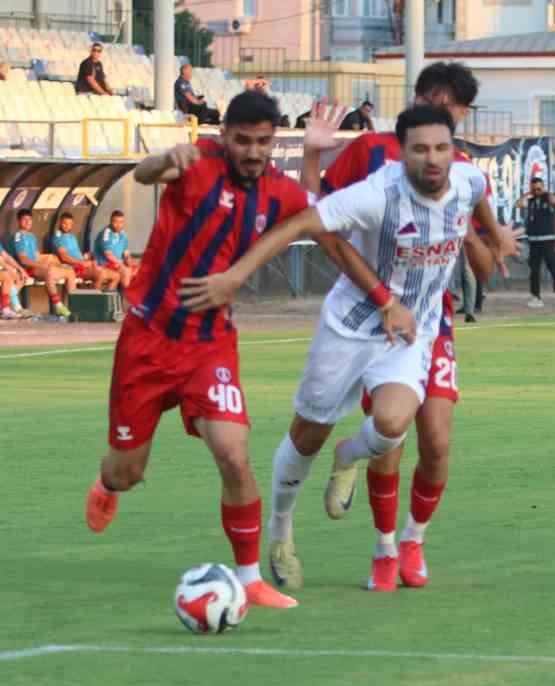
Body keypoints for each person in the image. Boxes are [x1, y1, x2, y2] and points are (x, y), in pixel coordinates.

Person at [181, 105, 497, 593]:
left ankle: (348, 456)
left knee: (393, 424)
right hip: (348, 329)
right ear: (401, 154)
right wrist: (236, 277)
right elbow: (301, 223)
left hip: (411, 331)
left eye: (441, 148)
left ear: (453, 149)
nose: (432, 159)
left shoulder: (468, 180)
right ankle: (282, 530)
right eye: (420, 150)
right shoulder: (377, 195)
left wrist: (497, 235)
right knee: (306, 435)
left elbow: (479, 204)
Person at [81, 90, 352, 613]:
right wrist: (165, 159)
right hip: (147, 340)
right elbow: (142, 176)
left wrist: (315, 154)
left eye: (264, 142)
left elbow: (316, 219)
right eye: (243, 140)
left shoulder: (278, 191)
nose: (253, 151)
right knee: (127, 472)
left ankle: (248, 577)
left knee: (232, 452)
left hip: (210, 346)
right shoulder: (197, 163)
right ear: (224, 136)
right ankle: (107, 484)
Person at [287, 61, 514, 591]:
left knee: (437, 438)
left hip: (434, 320)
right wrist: (313, 152)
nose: (458, 122)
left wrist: (492, 239)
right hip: (375, 321)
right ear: (434, 99)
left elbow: (481, 252)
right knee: (393, 437)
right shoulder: (372, 154)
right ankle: (384, 547)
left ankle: (414, 536)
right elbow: (318, 205)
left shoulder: (455, 165)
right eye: (458, 107)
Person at [11, 208, 74, 317]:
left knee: (69, 271)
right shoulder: (19, 236)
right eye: (25, 220)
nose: (27, 222)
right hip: (27, 269)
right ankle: (58, 306)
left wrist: (50, 259)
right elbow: (23, 260)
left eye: (29, 220)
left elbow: (37, 256)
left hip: (37, 267)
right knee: (49, 271)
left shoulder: (32, 236)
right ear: (19, 221)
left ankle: (75, 305)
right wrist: (43, 264)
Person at [518, 175, 555, 308]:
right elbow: (519, 204)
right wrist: (527, 194)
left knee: (553, 268)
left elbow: (554, 201)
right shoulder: (531, 200)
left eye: (539, 188)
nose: (536, 191)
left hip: (547, 240)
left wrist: (545, 192)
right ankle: (536, 297)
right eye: (534, 189)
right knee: (534, 270)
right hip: (534, 241)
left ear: (543, 188)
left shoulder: (548, 198)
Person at [48, 211, 121, 292]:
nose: (67, 226)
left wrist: (86, 258)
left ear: (72, 224)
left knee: (116, 276)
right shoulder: (58, 237)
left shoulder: (72, 237)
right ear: (59, 223)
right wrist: (82, 263)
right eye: (64, 223)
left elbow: (76, 254)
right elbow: (64, 257)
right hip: (74, 268)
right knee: (101, 274)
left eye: (69, 224)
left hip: (84, 264)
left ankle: (106, 301)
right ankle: (92, 300)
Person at [92, 209, 132, 285]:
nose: (118, 225)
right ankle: (128, 296)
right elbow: (108, 254)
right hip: (105, 264)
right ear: (111, 221)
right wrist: (121, 264)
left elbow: (126, 252)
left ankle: (126, 295)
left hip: (117, 264)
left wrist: (128, 260)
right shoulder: (106, 233)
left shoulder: (122, 233)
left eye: (121, 222)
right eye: (116, 221)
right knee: (125, 271)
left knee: (138, 270)